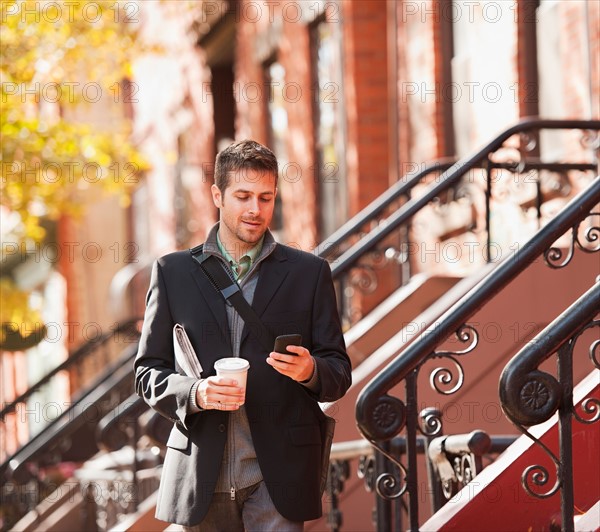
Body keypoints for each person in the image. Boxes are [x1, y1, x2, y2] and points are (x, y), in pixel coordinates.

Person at [134, 139, 352, 531]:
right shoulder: (173, 273)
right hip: (201, 473)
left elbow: (337, 371)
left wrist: (309, 371)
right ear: (218, 195)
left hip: (278, 476)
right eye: (243, 196)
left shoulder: (308, 273)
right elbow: (148, 372)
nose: (256, 209)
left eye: (266, 198)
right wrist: (195, 393)